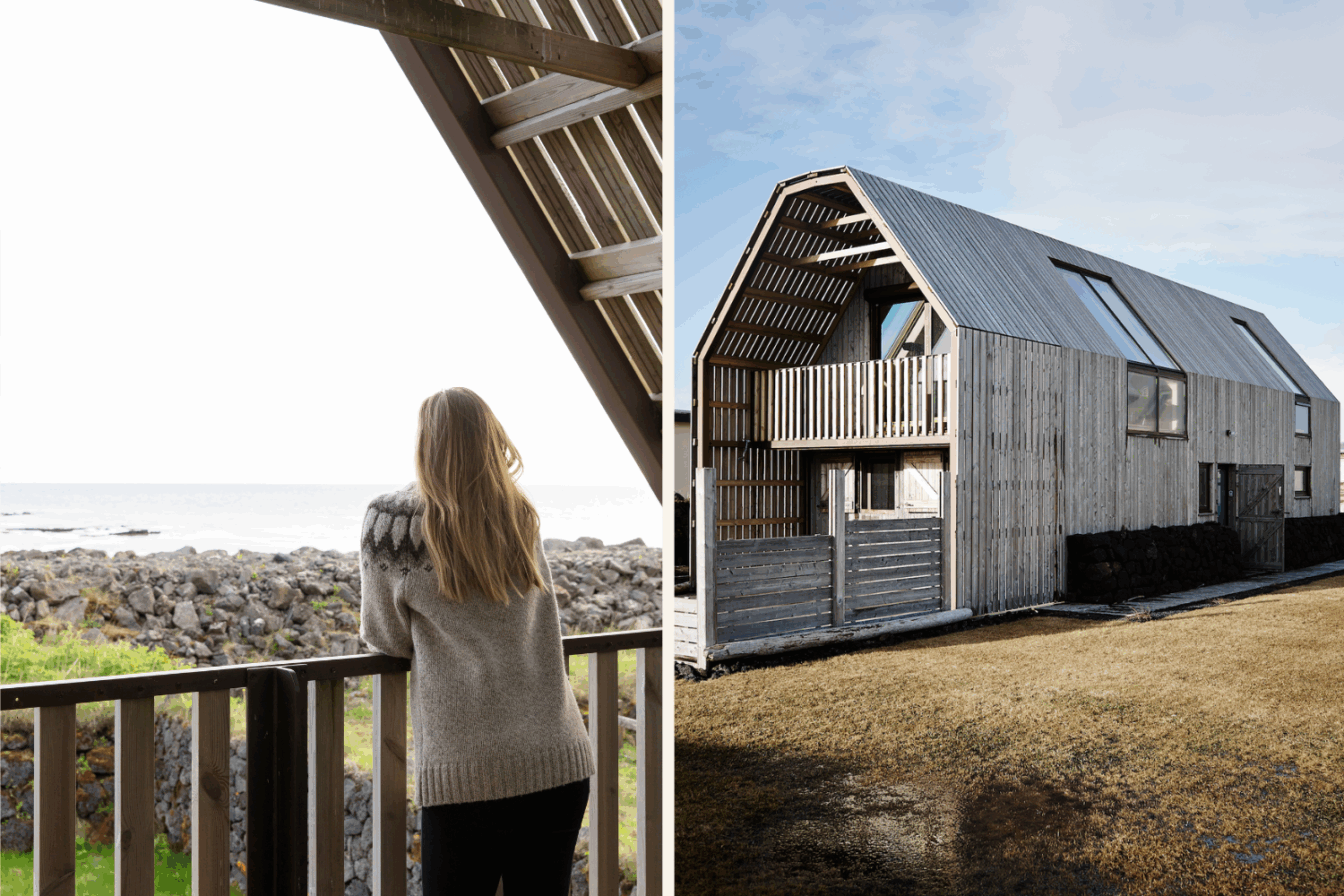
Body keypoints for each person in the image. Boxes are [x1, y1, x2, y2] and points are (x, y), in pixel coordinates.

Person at [359, 387, 592, 895]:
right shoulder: (517, 513)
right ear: (490, 440)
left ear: (425, 443)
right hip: (558, 759)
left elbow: (385, 637)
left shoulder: (392, 523)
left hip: (468, 776)